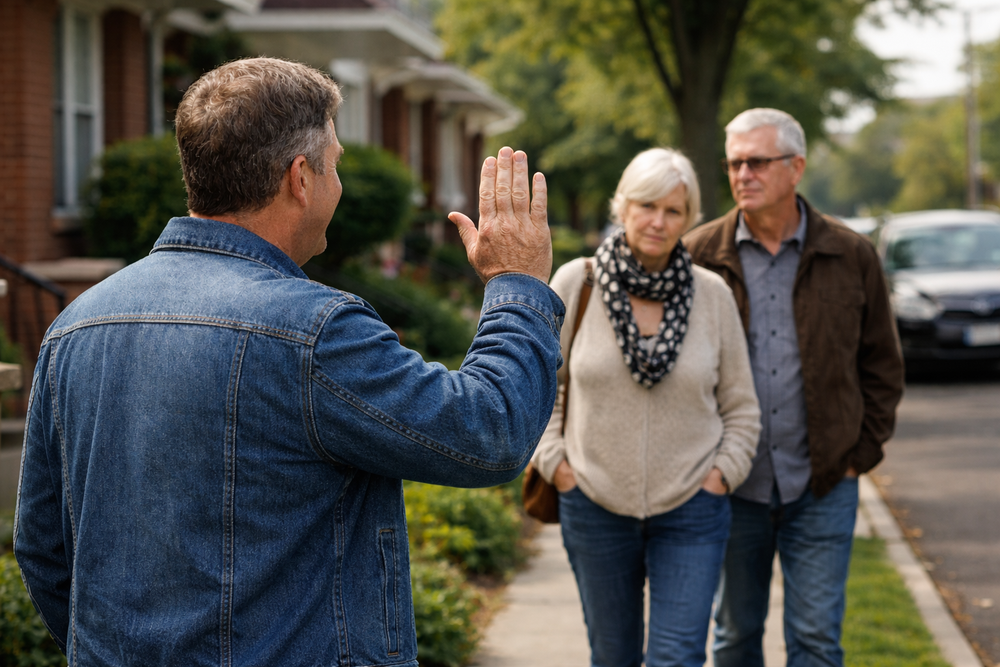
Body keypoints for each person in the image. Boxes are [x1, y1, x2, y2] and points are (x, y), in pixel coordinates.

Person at [14, 57, 564, 667]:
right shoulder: (314, 332)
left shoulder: (77, 323)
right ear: (300, 178)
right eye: (336, 164)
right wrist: (516, 283)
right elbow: (487, 431)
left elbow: (42, 547)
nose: (340, 185)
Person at [683, 108, 905, 667]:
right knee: (734, 639)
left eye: (758, 162)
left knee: (816, 642)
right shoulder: (698, 255)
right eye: (734, 163)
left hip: (824, 485)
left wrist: (859, 455)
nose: (743, 175)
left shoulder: (850, 253)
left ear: (796, 167)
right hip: (729, 488)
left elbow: (882, 364)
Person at [531, 148, 761, 667]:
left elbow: (742, 408)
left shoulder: (713, 295)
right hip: (593, 502)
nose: (658, 221)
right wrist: (558, 466)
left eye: (674, 211)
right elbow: (544, 387)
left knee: (677, 657)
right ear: (623, 207)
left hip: (694, 508)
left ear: (690, 218)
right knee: (613, 657)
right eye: (646, 205)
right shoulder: (577, 282)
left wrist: (721, 476)